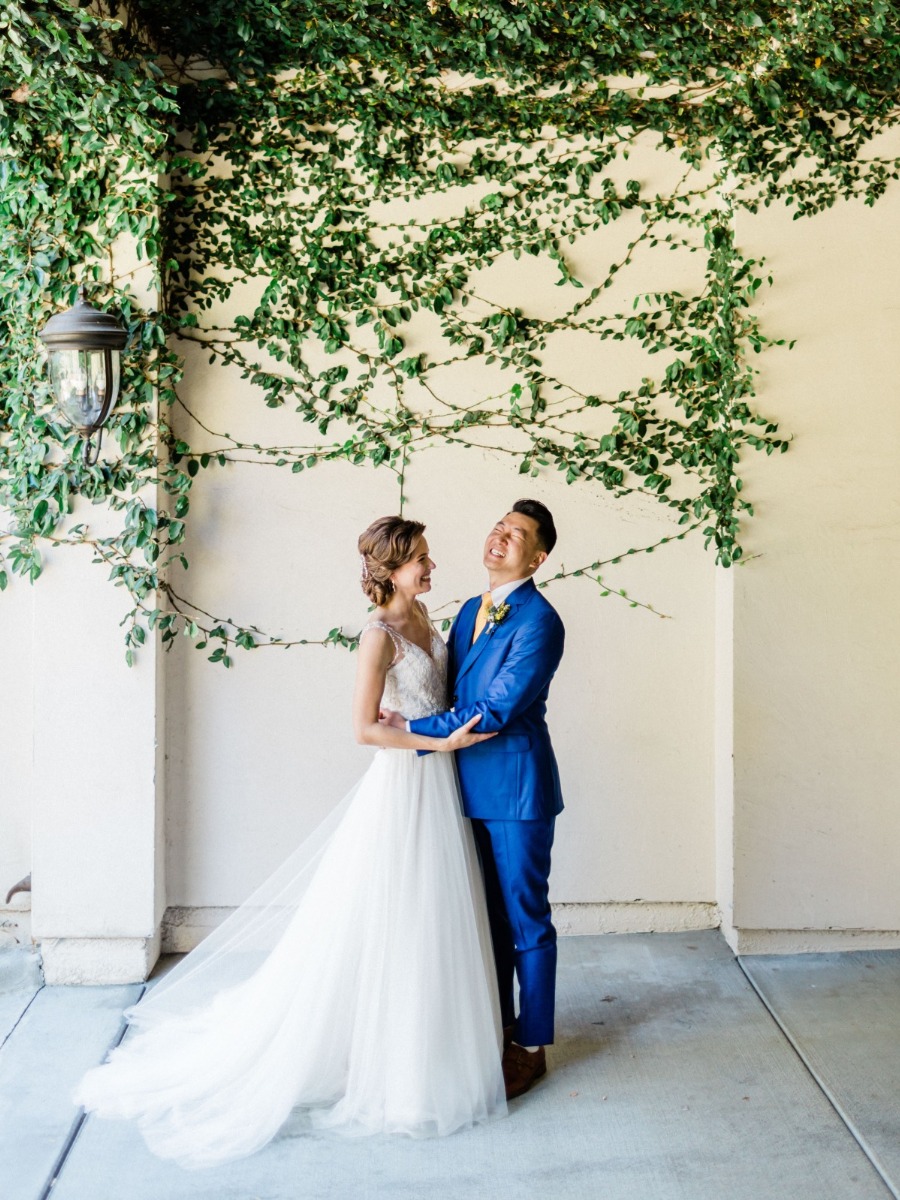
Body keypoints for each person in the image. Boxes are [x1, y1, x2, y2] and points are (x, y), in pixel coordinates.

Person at [74, 516, 506, 1168]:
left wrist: (441, 729)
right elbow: (363, 729)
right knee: (399, 913)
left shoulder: (430, 623)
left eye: (428, 556)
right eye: (420, 559)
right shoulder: (378, 635)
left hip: (440, 782)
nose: (431, 567)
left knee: (434, 916)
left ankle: (431, 1045)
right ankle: (393, 1064)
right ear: (389, 570)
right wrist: (431, 739)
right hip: (405, 787)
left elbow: (429, 697)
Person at [381, 499, 564, 1101]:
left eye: (517, 535)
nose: (501, 536)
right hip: (458, 787)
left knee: (525, 920)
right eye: (499, 526)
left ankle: (531, 1047)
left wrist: (408, 736)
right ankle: (497, 1027)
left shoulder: (540, 622)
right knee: (484, 922)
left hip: (515, 790)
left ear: (536, 558)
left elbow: (495, 711)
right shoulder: (465, 611)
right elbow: (443, 688)